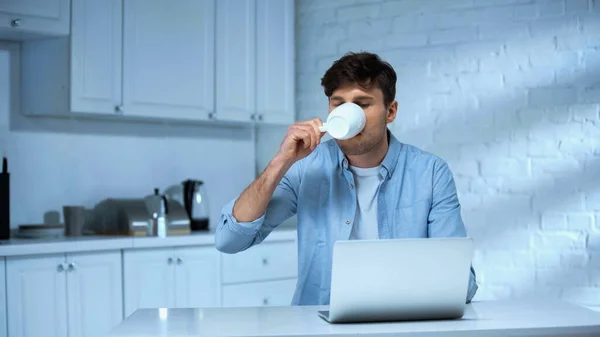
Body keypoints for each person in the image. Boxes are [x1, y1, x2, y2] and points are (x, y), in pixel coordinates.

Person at [215, 51, 478, 306]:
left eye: (362, 104)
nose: (348, 113)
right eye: (338, 104)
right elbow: (229, 239)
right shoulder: (306, 167)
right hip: (316, 326)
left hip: (399, 325)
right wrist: (280, 161)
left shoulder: (430, 173)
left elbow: (461, 285)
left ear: (391, 111)